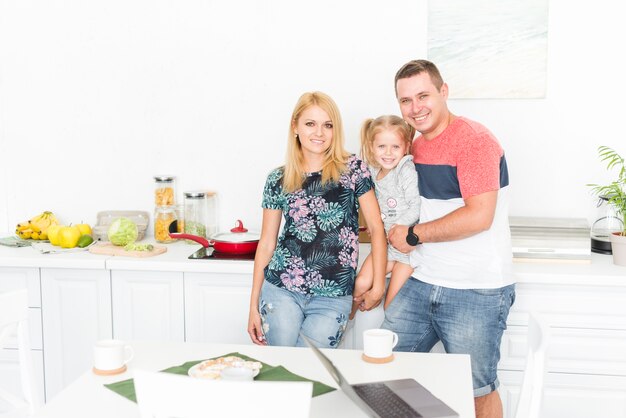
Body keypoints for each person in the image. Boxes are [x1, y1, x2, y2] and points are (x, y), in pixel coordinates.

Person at [383, 59, 515, 418]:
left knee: (477, 392)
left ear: (444, 92)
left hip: (477, 290)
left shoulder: (475, 141)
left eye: (423, 95)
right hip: (424, 280)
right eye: (405, 100)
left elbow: (479, 216)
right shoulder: (415, 145)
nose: (415, 108)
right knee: (382, 371)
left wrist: (412, 235)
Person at [247, 91, 387, 349]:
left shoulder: (353, 170)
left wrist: (377, 285)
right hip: (281, 289)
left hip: (334, 296)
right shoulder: (278, 178)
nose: (319, 133)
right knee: (283, 370)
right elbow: (267, 243)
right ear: (295, 127)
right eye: (310, 124)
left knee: (314, 373)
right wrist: (253, 305)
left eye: (327, 125)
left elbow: (378, 230)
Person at [349, 115, 420, 320]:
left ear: (406, 147)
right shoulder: (371, 170)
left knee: (391, 304)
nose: (388, 153)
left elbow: (416, 206)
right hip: (386, 246)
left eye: (395, 147)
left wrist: (397, 229)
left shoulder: (405, 170)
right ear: (372, 146)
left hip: (407, 250)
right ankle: (347, 319)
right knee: (361, 282)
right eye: (382, 147)